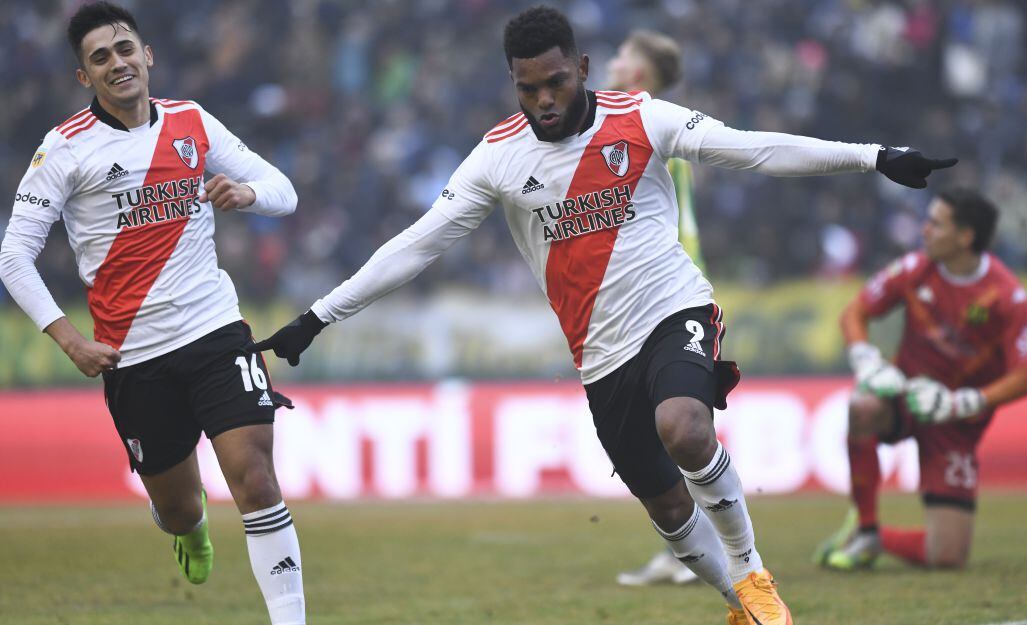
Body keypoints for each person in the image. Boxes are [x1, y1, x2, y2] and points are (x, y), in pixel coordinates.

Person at [253, 7, 954, 624]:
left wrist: (874, 157)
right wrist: (318, 315)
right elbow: (416, 245)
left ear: (580, 67)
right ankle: (738, 602)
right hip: (599, 354)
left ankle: (752, 569)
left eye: (554, 82)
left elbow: (754, 148)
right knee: (670, 512)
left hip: (673, 304)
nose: (544, 99)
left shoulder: (641, 118)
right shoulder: (497, 158)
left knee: (682, 426)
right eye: (527, 88)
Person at [0, 3, 305, 624]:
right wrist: (69, 341)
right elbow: (14, 257)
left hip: (216, 331)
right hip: (133, 356)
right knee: (181, 507)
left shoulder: (192, 121)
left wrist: (245, 193)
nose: (118, 63)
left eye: (125, 49)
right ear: (84, 77)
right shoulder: (63, 148)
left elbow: (284, 190)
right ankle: (185, 528)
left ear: (148, 56)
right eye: (101, 57)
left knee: (255, 478)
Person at [814, 189, 1027, 571]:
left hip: (956, 423)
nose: (924, 230)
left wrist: (965, 402)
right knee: (862, 406)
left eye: (936, 223)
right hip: (905, 397)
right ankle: (866, 527)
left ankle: (876, 539)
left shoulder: (1005, 296)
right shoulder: (914, 269)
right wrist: (868, 362)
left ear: (965, 237)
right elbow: (855, 313)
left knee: (948, 557)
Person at [607, 28, 700, 588]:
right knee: (666, 429)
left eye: (620, 55)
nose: (612, 63)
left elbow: (679, 224)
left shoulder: (651, 129)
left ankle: (700, 550)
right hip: (660, 294)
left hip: (667, 298)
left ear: (638, 74)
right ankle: (689, 549)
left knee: (675, 428)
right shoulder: (652, 124)